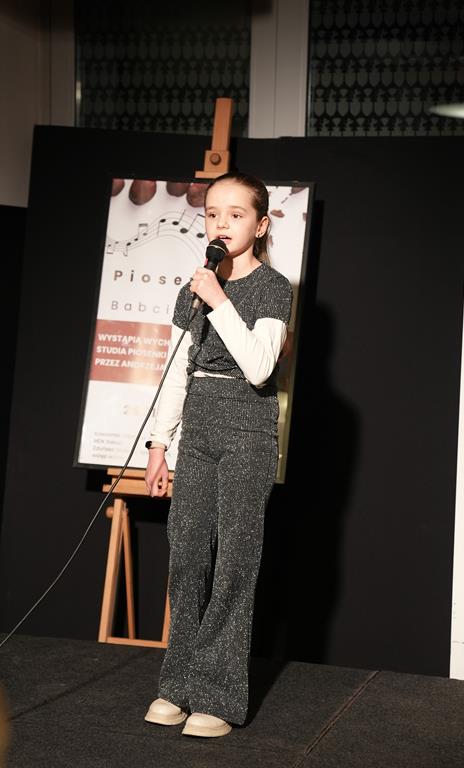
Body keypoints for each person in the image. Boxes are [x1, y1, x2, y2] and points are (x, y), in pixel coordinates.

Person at [143, 172, 293, 738]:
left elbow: (259, 368)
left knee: (234, 562)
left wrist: (220, 301)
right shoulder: (195, 286)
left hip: (248, 428)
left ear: (261, 224)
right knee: (187, 557)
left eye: (235, 214)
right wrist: (160, 444)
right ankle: (177, 685)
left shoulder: (273, 287)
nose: (221, 224)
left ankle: (217, 696)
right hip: (199, 424)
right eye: (212, 214)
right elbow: (176, 370)